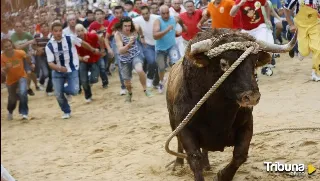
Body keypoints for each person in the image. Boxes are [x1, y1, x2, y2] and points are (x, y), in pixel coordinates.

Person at [45, 22, 101, 119]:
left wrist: (92, 49)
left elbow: (82, 43)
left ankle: (66, 92)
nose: (58, 33)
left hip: (72, 69)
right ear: (52, 32)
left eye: (60, 31)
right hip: (57, 72)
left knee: (75, 91)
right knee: (58, 94)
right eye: (56, 31)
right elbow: (50, 63)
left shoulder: (69, 38)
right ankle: (66, 111)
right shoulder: (49, 45)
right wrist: (59, 68)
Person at [115, 17, 153, 102]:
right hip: (124, 59)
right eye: (125, 26)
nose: (127, 28)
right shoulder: (118, 34)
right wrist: (129, 44)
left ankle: (145, 89)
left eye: (129, 25)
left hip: (136, 55)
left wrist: (142, 37)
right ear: (121, 26)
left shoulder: (134, 28)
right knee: (127, 82)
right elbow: (120, 50)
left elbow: (139, 27)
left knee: (139, 69)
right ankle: (129, 92)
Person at [153, 5, 187, 93]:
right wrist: (166, 30)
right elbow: (155, 36)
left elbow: (180, 20)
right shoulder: (158, 21)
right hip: (160, 48)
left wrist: (183, 28)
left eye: (167, 13)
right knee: (161, 67)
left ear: (169, 12)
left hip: (172, 46)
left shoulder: (174, 19)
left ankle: (178, 83)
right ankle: (161, 82)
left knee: (176, 64)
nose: (166, 15)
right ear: (160, 13)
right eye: (163, 13)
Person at [284, 0, 320, 81]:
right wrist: (291, 24)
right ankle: (292, 38)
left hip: (315, 24)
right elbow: (286, 9)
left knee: (317, 49)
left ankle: (316, 72)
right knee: (304, 52)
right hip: (300, 25)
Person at [75, 24, 106, 102]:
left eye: (82, 30)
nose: (80, 33)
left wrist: (102, 49)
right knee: (83, 81)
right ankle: (88, 96)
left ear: (84, 30)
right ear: (76, 32)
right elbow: (75, 55)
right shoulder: (74, 41)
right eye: (78, 31)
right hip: (83, 61)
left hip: (94, 59)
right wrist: (82, 58)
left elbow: (100, 38)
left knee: (94, 79)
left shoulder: (91, 36)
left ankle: (90, 81)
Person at [1, 39, 30, 120]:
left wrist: (31, 63)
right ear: (3, 48)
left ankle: (24, 113)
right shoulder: (2, 57)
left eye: (9, 46)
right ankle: (10, 111)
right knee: (12, 100)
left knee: (23, 92)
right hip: (10, 81)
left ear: (12, 45)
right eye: (6, 47)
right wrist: (6, 68)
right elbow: (2, 70)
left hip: (22, 76)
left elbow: (27, 58)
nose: (8, 48)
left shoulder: (19, 52)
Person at [133, 6, 160, 89]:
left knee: (159, 64)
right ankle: (149, 77)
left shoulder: (157, 18)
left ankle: (156, 82)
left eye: (146, 13)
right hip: (146, 44)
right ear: (141, 14)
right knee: (152, 62)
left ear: (150, 12)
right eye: (143, 14)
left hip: (158, 44)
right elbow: (129, 24)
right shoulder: (137, 20)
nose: (145, 15)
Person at [11, 21, 38, 96]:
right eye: (17, 26)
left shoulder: (27, 35)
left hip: (26, 56)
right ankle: (20, 90)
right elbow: (17, 47)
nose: (18, 28)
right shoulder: (13, 36)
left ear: (22, 27)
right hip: (16, 58)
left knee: (29, 73)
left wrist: (33, 50)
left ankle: (28, 88)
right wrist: (28, 42)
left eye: (20, 26)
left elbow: (34, 43)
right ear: (14, 28)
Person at [33, 23, 54, 96]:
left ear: (48, 28)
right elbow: (33, 45)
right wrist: (37, 49)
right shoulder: (37, 36)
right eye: (42, 27)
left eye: (45, 26)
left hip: (51, 56)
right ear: (40, 29)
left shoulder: (52, 35)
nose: (44, 28)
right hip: (41, 57)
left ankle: (48, 89)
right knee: (46, 73)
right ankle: (42, 81)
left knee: (51, 73)